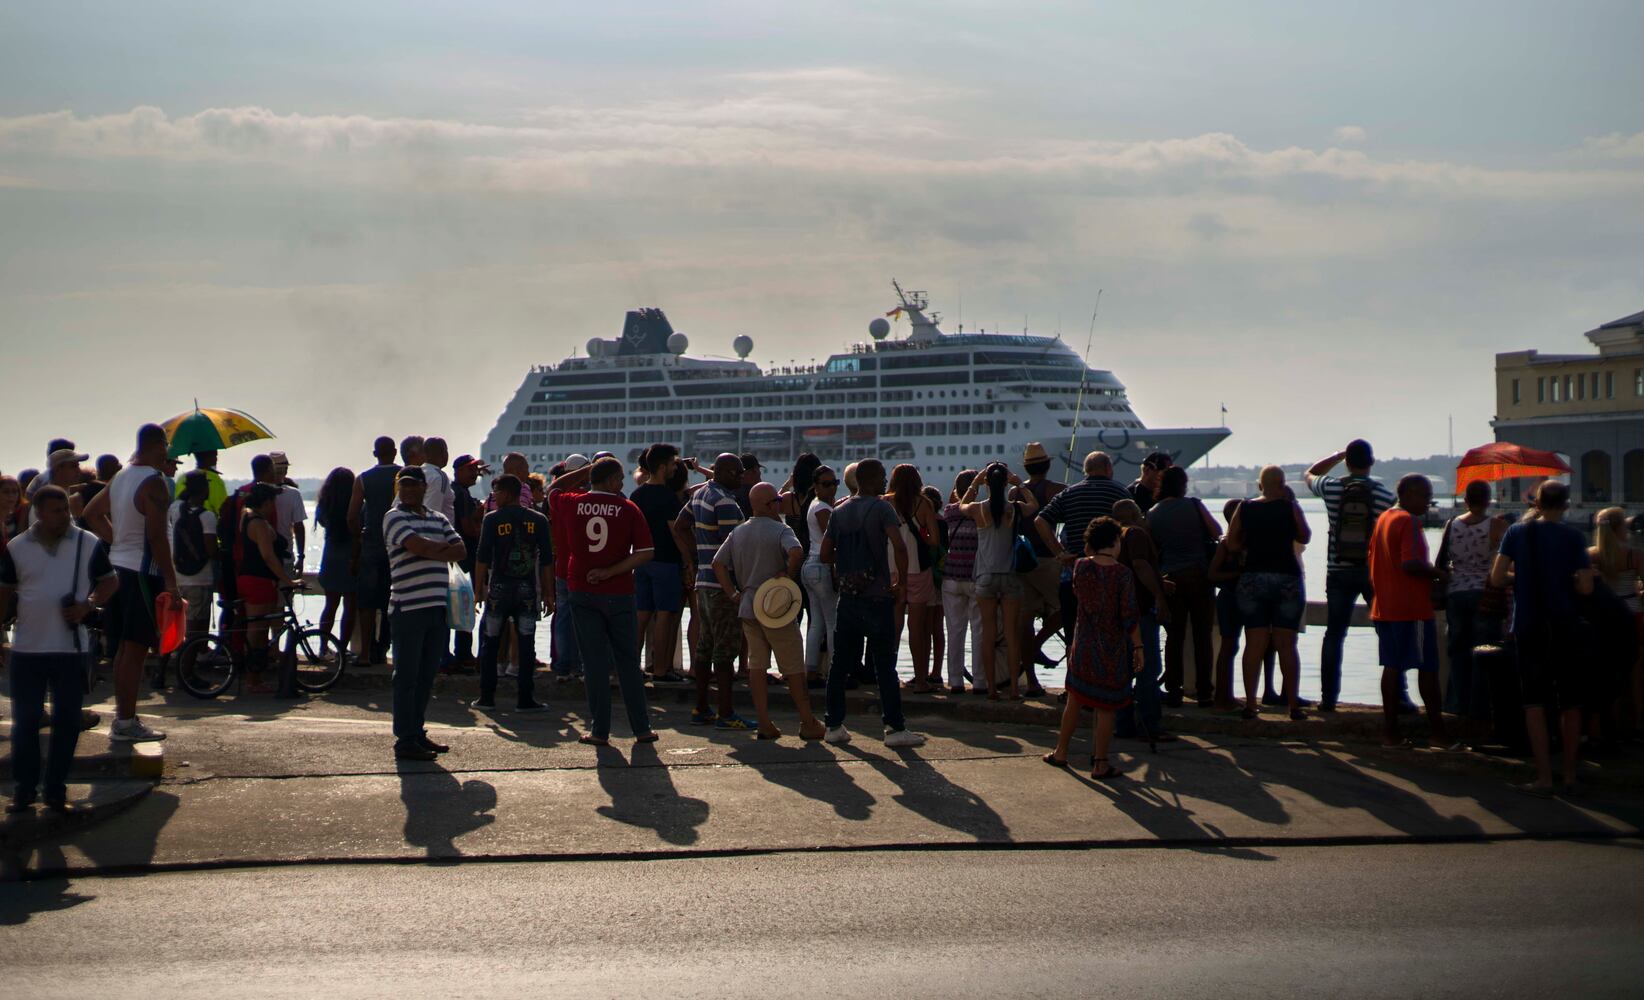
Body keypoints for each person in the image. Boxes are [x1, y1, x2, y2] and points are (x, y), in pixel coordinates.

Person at [1, 486, 120, 814]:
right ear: (39, 512)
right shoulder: (18, 547)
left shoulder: (87, 542)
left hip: (70, 649)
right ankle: (24, 791)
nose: (64, 517)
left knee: (67, 722)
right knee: (25, 722)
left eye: (65, 510)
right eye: (56, 511)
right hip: (27, 649)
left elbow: (109, 581)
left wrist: (88, 605)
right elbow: (4, 592)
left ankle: (55, 790)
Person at [1489, 481, 1594, 795]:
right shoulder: (1575, 537)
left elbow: (1496, 578)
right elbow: (1586, 589)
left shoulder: (1517, 533)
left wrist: (1521, 577)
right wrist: (1571, 579)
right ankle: (1571, 775)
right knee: (1570, 702)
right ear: (1566, 504)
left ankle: (1544, 777)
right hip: (1565, 625)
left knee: (1534, 702)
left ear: (1536, 502)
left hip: (1528, 625)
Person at [80, 423, 177, 742]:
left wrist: (117, 540)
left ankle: (125, 718)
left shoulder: (120, 476)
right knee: (135, 650)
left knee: (124, 648)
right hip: (141, 574)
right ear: (159, 446)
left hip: (118, 567)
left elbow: (92, 513)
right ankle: (125, 721)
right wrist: (172, 583)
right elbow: (157, 537)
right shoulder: (155, 483)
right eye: (166, 447)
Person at [551, 457, 657, 746]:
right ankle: (642, 728)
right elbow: (645, 551)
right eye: (619, 478)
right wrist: (611, 571)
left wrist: (587, 470)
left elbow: (554, 489)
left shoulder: (573, 503)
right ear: (611, 481)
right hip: (620, 592)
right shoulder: (627, 508)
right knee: (627, 662)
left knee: (594, 663)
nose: (622, 483)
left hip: (582, 591)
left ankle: (599, 730)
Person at [819, 459, 926, 747]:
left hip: (848, 598)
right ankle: (894, 728)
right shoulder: (881, 508)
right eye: (881, 479)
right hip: (877, 595)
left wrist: (848, 556)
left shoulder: (839, 511)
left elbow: (825, 554)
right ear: (870, 480)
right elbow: (900, 546)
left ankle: (833, 726)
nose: (884, 484)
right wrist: (901, 581)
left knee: (839, 665)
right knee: (884, 665)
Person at [712, 482, 826, 740]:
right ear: (768, 504)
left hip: (749, 605)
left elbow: (718, 563)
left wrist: (732, 592)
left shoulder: (738, 532)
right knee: (794, 667)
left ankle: (764, 722)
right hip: (775, 607)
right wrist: (787, 573)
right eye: (776, 500)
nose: (780, 504)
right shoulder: (780, 529)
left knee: (757, 665)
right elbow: (796, 551)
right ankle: (807, 722)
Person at [1042, 517, 1141, 779]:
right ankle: (1100, 763)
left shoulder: (1081, 568)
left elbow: (1079, 594)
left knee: (1075, 698)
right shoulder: (1122, 574)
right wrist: (1139, 646)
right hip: (1112, 647)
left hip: (1083, 643)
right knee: (1106, 706)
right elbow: (1129, 615)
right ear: (1115, 541)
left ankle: (1061, 751)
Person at [1307, 439, 1398, 712]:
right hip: (1372, 572)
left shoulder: (1332, 488)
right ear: (1371, 462)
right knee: (1387, 632)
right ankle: (1398, 696)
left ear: (1347, 462)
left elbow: (1310, 474)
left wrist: (1335, 456)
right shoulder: (1385, 496)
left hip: (1337, 571)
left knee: (1334, 634)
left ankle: (1328, 699)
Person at [383, 466, 466, 761]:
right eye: (402, 486)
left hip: (436, 608)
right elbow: (416, 546)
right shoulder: (393, 517)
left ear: (423, 488)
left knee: (426, 675)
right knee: (405, 676)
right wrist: (436, 549)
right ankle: (404, 738)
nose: (406, 490)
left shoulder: (438, 517)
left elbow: (461, 550)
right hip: (408, 608)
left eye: (412, 485)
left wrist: (431, 550)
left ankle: (416, 732)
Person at [673, 453, 757, 729]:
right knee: (725, 650)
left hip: (704, 581)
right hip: (724, 586)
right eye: (736, 473)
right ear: (721, 472)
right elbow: (734, 548)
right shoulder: (726, 502)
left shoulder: (701, 495)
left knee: (704, 647)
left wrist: (697, 556)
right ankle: (726, 712)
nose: (741, 477)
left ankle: (701, 708)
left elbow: (680, 526)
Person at [1368, 474, 1448, 749]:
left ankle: (1390, 733)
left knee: (1391, 666)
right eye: (1425, 496)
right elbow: (1411, 563)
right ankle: (1438, 731)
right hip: (1411, 608)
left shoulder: (1384, 519)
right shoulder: (1409, 521)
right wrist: (1439, 574)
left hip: (1385, 607)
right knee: (1427, 668)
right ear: (1409, 494)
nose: (1429, 501)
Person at [1226, 467, 1312, 720]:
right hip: (1287, 577)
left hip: (1253, 578)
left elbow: (1231, 543)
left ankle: (1250, 703)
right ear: (1283, 484)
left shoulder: (1245, 507)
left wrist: (1249, 544)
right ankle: (1294, 705)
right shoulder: (1290, 507)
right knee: (1287, 644)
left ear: (1260, 485)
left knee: (1254, 643)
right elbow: (1305, 536)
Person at [1034, 451, 1132, 650]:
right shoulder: (1120, 493)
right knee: (1110, 633)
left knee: (1074, 636)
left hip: (1074, 574)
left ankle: (1074, 677)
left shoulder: (1069, 494)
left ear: (1086, 470)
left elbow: (1041, 521)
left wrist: (1060, 553)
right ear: (1108, 469)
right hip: (1109, 576)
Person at [1435, 481, 1508, 745]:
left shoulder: (1450, 524)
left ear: (1466, 500)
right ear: (1488, 499)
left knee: (1458, 651)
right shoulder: (1497, 526)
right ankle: (1479, 711)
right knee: (1483, 652)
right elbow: (1507, 560)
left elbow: (1441, 561)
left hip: (1456, 593)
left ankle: (1456, 706)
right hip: (1484, 594)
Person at [472, 474, 552, 713]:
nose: (494, 497)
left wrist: (479, 589)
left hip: (498, 589)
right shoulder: (539, 520)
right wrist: (549, 593)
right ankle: (525, 699)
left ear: (507, 493)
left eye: (496, 492)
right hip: (527, 591)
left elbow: (482, 557)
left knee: (491, 642)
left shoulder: (492, 519)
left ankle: (487, 697)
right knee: (527, 644)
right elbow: (547, 560)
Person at [959, 462, 1038, 700]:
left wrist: (975, 482)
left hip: (985, 577)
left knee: (988, 634)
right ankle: (1014, 689)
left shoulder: (978, 509)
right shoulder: (1013, 509)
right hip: (1010, 576)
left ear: (986, 483)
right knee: (1012, 635)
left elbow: (960, 504)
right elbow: (1034, 506)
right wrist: (1020, 484)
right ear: (1005, 483)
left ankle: (991, 689)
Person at [1146, 466, 1221, 707]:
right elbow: (1217, 531)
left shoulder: (1153, 513)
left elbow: (1150, 548)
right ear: (1182, 484)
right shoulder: (1195, 505)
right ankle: (1204, 692)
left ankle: (1174, 689)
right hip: (1200, 576)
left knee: (1174, 636)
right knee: (1202, 636)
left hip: (1171, 580)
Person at [1111, 499, 1171, 741]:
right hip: (1140, 610)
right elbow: (1139, 565)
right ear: (1136, 515)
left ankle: (1123, 724)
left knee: (1124, 670)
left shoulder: (1114, 537)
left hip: (1118, 611)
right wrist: (1160, 596)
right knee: (1147, 667)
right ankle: (1150, 724)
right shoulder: (1135, 533)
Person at [630, 444, 688, 682]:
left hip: (641, 561)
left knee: (641, 616)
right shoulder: (667, 497)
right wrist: (688, 561)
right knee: (665, 615)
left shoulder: (637, 495)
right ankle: (661, 669)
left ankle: (631, 667)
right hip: (665, 561)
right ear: (663, 467)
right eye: (673, 463)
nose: (676, 467)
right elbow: (675, 532)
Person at [237, 483, 298, 694]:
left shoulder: (246, 515)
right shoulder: (259, 523)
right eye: (273, 501)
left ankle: (255, 677)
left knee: (258, 629)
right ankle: (253, 680)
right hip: (259, 580)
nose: (275, 506)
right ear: (266, 502)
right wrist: (287, 580)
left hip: (250, 578)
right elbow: (268, 556)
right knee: (258, 631)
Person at [1590, 506, 1644, 736]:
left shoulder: (1590, 554)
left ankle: (1603, 725)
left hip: (1603, 616)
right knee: (1636, 673)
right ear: (1621, 528)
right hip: (1633, 612)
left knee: (1604, 671)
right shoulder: (1634, 555)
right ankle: (1637, 722)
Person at [347, 436, 400, 664]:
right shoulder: (403, 475)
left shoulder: (363, 479)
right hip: (397, 545)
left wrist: (359, 536)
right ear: (395, 452)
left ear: (374, 454)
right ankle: (386, 647)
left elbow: (351, 516)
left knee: (367, 602)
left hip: (371, 545)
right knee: (394, 598)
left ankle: (365, 653)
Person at [887, 463, 940, 692]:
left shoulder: (885, 501)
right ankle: (920, 680)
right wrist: (921, 536)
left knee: (894, 625)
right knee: (917, 627)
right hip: (917, 569)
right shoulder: (924, 503)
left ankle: (888, 677)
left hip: (891, 570)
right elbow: (935, 541)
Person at [1018, 443, 1064, 695]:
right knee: (1069, 609)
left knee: (1025, 621)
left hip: (1022, 561)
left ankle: (1032, 683)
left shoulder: (1016, 492)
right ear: (1047, 465)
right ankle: (1037, 644)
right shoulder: (1055, 490)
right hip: (1046, 560)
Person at [939, 470, 983, 695]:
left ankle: (955, 680)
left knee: (955, 631)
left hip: (952, 578)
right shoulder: (982, 512)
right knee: (979, 630)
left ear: (956, 491)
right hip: (976, 578)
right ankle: (980, 682)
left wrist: (960, 494)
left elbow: (955, 505)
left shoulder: (949, 512)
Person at [546, 454, 589, 681]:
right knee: (585, 619)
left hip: (562, 566)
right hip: (585, 568)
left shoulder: (560, 499)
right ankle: (581, 666)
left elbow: (554, 487)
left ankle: (563, 666)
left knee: (563, 616)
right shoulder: (589, 498)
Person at [797, 463, 839, 687]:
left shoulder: (813, 505)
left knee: (817, 623)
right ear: (815, 486)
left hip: (809, 566)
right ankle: (835, 671)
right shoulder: (823, 508)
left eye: (835, 483)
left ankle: (810, 670)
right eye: (826, 484)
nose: (832, 488)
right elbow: (830, 538)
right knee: (832, 622)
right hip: (821, 566)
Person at [169, 470, 219, 641]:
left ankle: (170, 658)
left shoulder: (175, 509)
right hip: (200, 578)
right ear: (205, 490)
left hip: (177, 575)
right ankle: (192, 660)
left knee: (176, 621)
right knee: (196, 624)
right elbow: (211, 549)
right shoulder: (207, 516)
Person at [449, 454, 489, 666]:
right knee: (465, 604)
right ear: (458, 471)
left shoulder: (459, 491)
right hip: (466, 558)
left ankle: (460, 652)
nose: (475, 473)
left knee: (460, 604)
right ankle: (463, 654)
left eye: (476, 470)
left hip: (460, 557)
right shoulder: (461, 495)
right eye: (470, 470)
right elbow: (467, 527)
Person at [315, 466, 358, 652]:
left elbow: (323, 523)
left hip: (330, 556)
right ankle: (342, 648)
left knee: (330, 605)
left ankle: (323, 646)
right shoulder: (356, 505)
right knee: (350, 607)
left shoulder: (324, 505)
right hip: (351, 557)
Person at [254, 453, 307, 580]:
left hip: (259, 555)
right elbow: (299, 528)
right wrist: (301, 557)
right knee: (285, 596)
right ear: (285, 470)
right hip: (285, 556)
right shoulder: (293, 494)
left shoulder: (256, 492)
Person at [177, 449, 228, 515]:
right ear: (208, 457)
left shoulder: (182, 478)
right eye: (215, 456)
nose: (216, 459)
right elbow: (223, 509)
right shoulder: (215, 480)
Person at [420, 437, 455, 522]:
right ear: (443, 453)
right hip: (436, 532)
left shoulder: (416, 472)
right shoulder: (438, 477)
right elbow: (432, 512)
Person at [734, 453, 763, 517]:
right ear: (755, 469)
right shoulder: (756, 494)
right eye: (759, 469)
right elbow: (773, 504)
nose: (760, 472)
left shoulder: (732, 491)